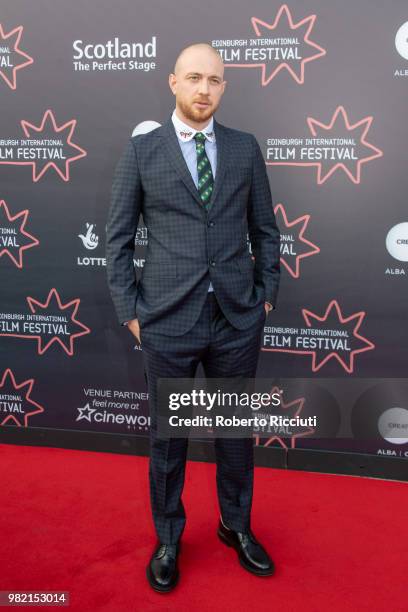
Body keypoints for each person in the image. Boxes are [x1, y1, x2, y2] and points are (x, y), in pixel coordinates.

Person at [106, 42, 281, 593]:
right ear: (173, 82)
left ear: (224, 87)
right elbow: (115, 241)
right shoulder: (142, 151)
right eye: (194, 78)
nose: (205, 89)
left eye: (215, 80)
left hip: (235, 319)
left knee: (234, 435)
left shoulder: (244, 148)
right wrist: (132, 313)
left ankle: (236, 526)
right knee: (169, 441)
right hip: (167, 320)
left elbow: (265, 232)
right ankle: (168, 537)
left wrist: (265, 295)